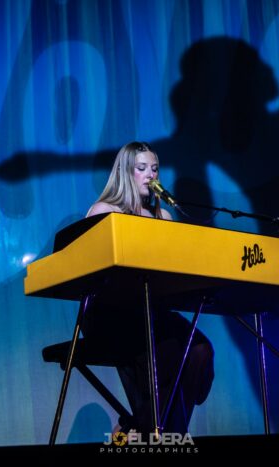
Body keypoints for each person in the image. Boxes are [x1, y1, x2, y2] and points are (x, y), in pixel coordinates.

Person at [83, 141, 214, 435]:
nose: (150, 175)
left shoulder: (162, 217)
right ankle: (157, 433)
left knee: (200, 350)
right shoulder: (104, 210)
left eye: (154, 169)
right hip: (113, 315)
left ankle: (136, 428)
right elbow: (90, 271)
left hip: (153, 312)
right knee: (165, 362)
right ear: (125, 172)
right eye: (141, 168)